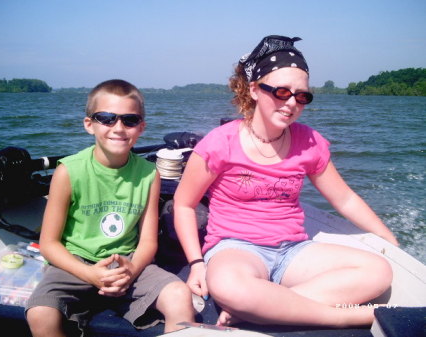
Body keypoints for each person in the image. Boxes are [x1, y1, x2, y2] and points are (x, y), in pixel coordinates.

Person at [174, 35, 399, 328]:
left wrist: (389, 240)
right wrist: (196, 264)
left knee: (378, 271)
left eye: (302, 96)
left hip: (293, 250)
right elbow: (183, 204)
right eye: (281, 92)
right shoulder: (220, 143)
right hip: (237, 249)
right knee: (229, 284)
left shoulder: (309, 142)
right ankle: (340, 317)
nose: (292, 103)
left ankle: (264, 306)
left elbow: (344, 199)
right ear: (254, 90)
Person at [26, 79, 195, 336]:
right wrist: (89, 274)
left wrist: (131, 271)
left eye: (129, 120)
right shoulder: (68, 171)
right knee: (40, 313)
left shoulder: (149, 174)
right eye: (106, 118)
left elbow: (148, 242)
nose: (118, 128)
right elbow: (49, 243)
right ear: (89, 124)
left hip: (127, 263)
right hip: (75, 264)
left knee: (180, 294)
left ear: (141, 128)